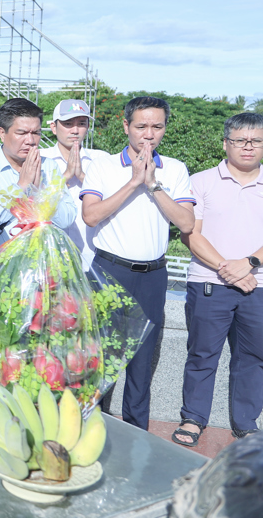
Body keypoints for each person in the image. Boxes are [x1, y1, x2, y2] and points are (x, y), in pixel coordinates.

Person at [81, 96, 195, 430]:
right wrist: (133, 182)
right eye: (141, 126)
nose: (149, 134)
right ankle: (90, 426)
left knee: (141, 361)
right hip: (109, 270)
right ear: (126, 126)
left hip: (153, 276)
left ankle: (135, 432)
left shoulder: (173, 169)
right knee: (99, 356)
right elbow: (91, 215)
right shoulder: (103, 166)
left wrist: (153, 184)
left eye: (157, 127)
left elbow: (186, 223)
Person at [173, 112, 263, 446]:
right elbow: (189, 234)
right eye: (240, 140)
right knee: (201, 355)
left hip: (259, 285)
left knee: (254, 357)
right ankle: (193, 418)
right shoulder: (201, 181)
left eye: (255, 140)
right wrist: (229, 268)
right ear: (226, 143)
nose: (248, 147)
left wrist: (250, 263)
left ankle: (245, 422)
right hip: (208, 282)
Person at [0, 97, 78, 254]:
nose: (30, 140)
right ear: (2, 133)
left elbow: (67, 219)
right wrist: (21, 187)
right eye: (21, 133)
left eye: (36, 133)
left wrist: (40, 191)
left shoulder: (48, 167)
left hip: (41, 265)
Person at [40, 99, 110, 269]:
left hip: (93, 258)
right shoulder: (39, 158)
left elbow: (113, 200)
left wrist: (82, 176)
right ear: (54, 127)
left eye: (81, 124)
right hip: (48, 257)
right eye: (68, 123)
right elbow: (31, 201)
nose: (75, 130)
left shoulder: (101, 159)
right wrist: (65, 176)